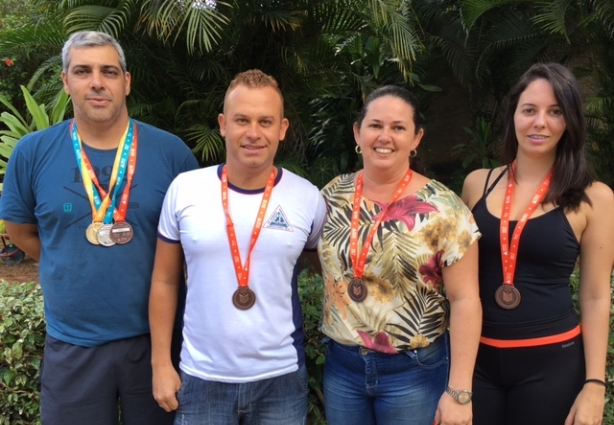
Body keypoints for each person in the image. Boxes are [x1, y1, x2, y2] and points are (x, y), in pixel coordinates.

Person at [0, 31, 199, 425]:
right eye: (83, 71)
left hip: (157, 345)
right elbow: (21, 233)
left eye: (109, 71)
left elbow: (196, 242)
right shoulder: (33, 152)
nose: (96, 82)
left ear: (126, 81)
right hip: (73, 345)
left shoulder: (171, 152)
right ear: (65, 81)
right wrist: (68, 255)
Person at [149, 69, 327, 425]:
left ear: (283, 128)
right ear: (223, 124)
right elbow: (165, 281)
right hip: (202, 377)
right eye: (241, 120)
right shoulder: (186, 190)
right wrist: (160, 364)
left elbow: (326, 271)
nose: (253, 133)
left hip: (281, 378)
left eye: (265, 121)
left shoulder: (307, 198)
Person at [318, 85, 482, 425]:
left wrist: (459, 392)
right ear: (357, 132)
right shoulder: (331, 195)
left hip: (413, 372)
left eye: (398, 127)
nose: (385, 136)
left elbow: (466, 300)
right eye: (375, 125)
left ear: (416, 137)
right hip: (342, 369)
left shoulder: (444, 208)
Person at [462, 63, 614, 425]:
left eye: (555, 112)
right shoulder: (475, 185)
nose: (539, 122)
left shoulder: (595, 197)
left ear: (570, 121)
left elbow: (594, 295)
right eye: (529, 110)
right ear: (513, 115)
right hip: (477, 365)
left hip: (552, 367)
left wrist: (595, 383)